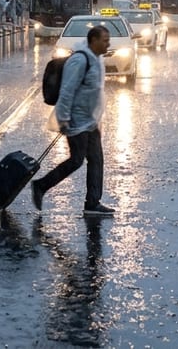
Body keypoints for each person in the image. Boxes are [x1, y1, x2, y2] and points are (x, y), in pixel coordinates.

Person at [31, 25, 115, 217]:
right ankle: (41, 186)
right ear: (93, 40)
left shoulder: (97, 58)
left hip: (90, 121)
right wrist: (64, 118)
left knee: (96, 159)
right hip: (76, 120)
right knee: (76, 160)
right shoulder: (79, 60)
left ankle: (92, 203)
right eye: (104, 39)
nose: (108, 43)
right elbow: (67, 91)